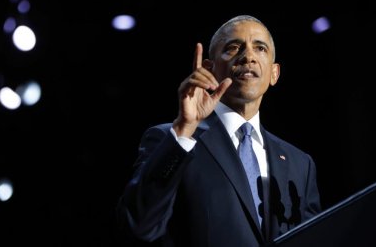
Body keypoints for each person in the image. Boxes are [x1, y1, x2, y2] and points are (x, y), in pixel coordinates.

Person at [116, 15, 322, 246]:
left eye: (260, 48)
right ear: (208, 69)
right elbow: (140, 225)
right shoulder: (172, 140)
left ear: (274, 74)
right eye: (234, 47)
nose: (248, 57)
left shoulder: (300, 163)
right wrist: (184, 129)